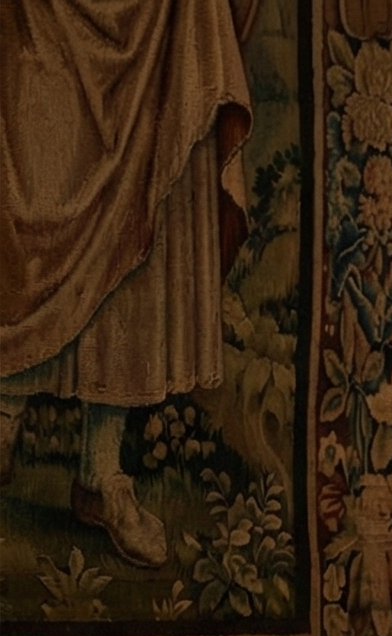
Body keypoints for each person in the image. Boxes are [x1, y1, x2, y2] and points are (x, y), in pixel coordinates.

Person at [0, 0, 257, 570]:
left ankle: (101, 470)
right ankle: (5, 412)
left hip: (155, 16)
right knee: (31, 165)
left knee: (144, 194)